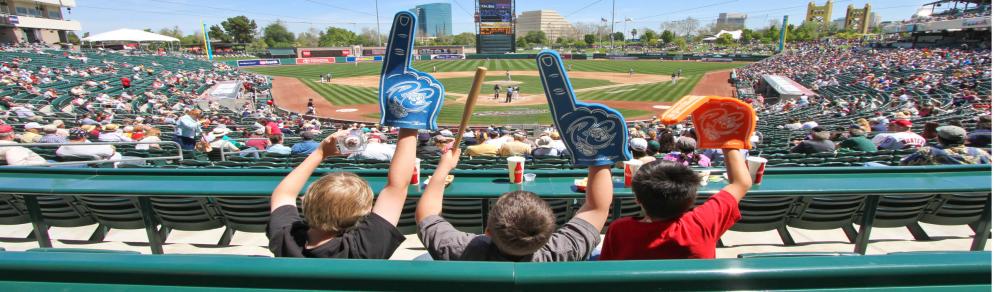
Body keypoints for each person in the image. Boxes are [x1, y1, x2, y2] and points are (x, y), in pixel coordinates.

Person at [416, 147, 611, 261]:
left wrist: (445, 166)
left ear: (487, 232)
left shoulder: (460, 248)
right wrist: (599, 154)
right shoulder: (561, 250)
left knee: (422, 259)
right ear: (549, 235)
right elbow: (597, 208)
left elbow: (427, 215)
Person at [267, 129, 418, 258]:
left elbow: (284, 194)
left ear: (304, 201)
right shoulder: (365, 247)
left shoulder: (285, 237)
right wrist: (410, 124)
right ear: (365, 212)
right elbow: (397, 186)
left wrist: (320, 153)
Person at [599, 148, 751, 260]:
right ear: (692, 198)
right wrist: (728, 142)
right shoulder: (702, 222)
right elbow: (741, 183)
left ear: (637, 199)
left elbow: (605, 270)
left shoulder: (619, 229)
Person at [901, 126, 991, 166]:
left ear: (939, 139)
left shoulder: (928, 152)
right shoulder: (981, 153)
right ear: (964, 139)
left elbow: (903, 164)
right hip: (974, 195)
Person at [56, 128, 121, 162]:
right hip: (93, 167)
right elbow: (111, 152)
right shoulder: (89, 147)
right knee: (117, 155)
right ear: (83, 137)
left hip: (70, 167)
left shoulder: (61, 148)